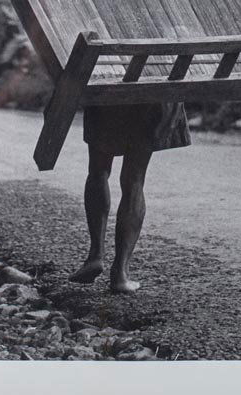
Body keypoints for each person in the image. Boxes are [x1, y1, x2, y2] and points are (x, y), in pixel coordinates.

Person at [69, 100, 191, 293]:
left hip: (108, 96)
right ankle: (120, 274)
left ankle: (95, 256)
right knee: (134, 179)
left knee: (98, 171)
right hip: (153, 97)